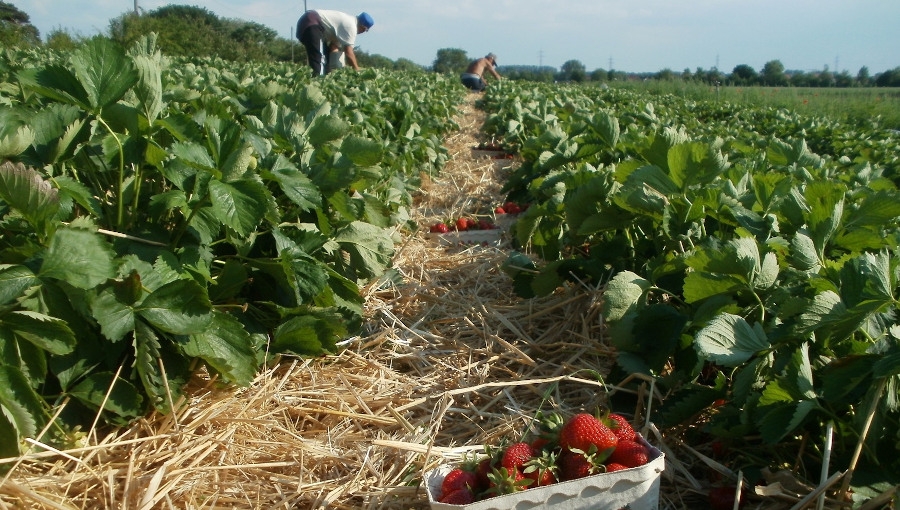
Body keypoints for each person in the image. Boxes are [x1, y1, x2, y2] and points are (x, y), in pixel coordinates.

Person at [296, 10, 374, 76]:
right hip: (312, 22)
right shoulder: (351, 26)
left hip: (308, 22)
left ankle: (323, 81)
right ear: (362, 27)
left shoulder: (346, 28)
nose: (362, 32)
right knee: (319, 60)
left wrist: (337, 68)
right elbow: (349, 53)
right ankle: (318, 83)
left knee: (325, 60)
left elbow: (333, 47)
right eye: (365, 30)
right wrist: (356, 69)